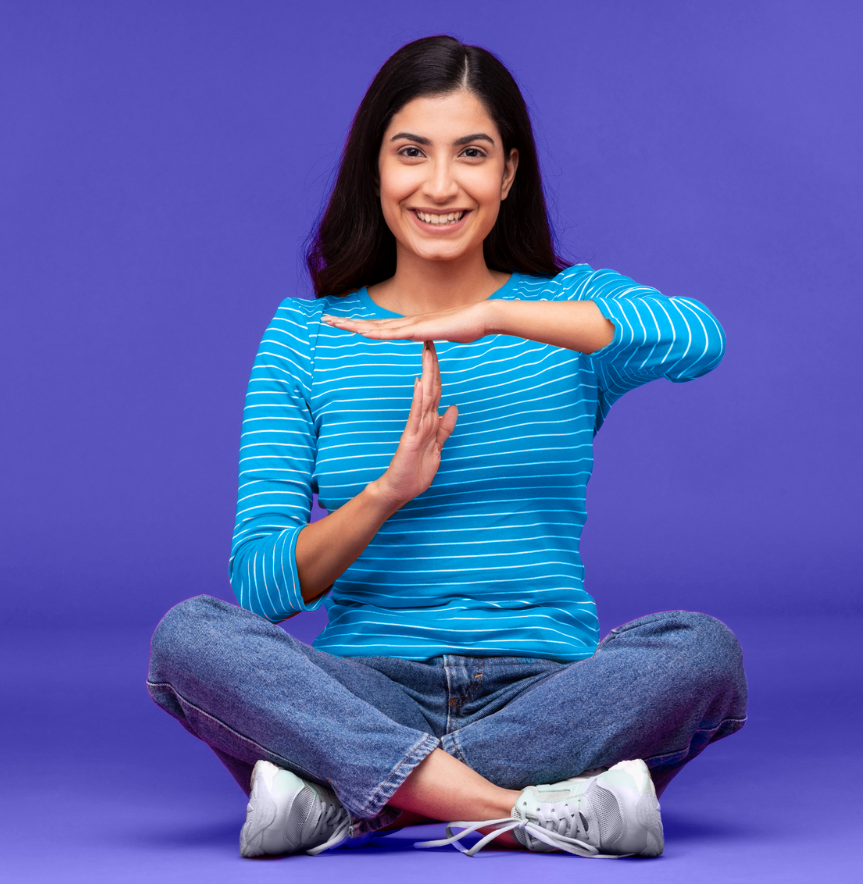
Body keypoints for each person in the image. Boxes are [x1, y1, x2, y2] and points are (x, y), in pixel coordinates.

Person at [147, 34, 747, 860]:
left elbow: (699, 338)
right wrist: (385, 493)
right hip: (366, 686)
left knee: (702, 653)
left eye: (470, 153)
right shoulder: (305, 335)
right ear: (376, 170)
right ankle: (525, 808)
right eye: (411, 153)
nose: (439, 184)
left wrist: (496, 314)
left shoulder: (569, 313)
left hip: (546, 685)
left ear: (507, 172)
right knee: (191, 636)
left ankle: (352, 802)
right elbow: (262, 583)